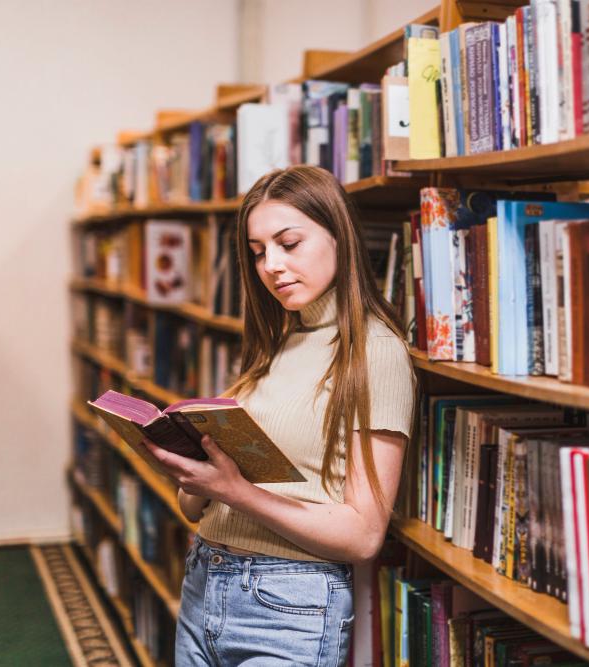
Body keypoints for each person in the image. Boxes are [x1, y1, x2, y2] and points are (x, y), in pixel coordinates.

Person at [144, 165, 416, 666]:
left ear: (339, 236)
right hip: (204, 578)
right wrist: (192, 468)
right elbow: (194, 507)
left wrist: (233, 490)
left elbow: (363, 535)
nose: (271, 265)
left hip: (288, 605)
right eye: (258, 251)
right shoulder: (278, 341)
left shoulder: (375, 352)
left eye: (289, 243)